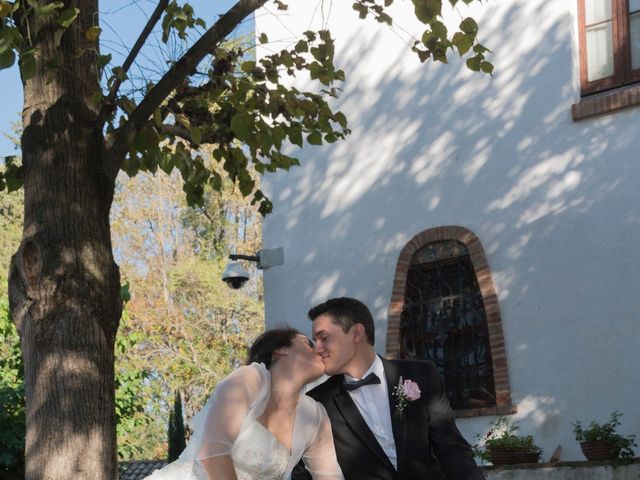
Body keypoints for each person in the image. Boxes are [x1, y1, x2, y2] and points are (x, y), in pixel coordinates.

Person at [292, 298, 485, 480]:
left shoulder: (420, 375)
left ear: (357, 333)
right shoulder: (317, 402)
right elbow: (305, 474)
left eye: (324, 338)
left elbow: (452, 449)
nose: (317, 348)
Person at [145, 327, 344, 480]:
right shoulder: (250, 379)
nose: (319, 349)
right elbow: (213, 452)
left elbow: (330, 476)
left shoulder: (314, 416)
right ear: (280, 351)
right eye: (309, 343)